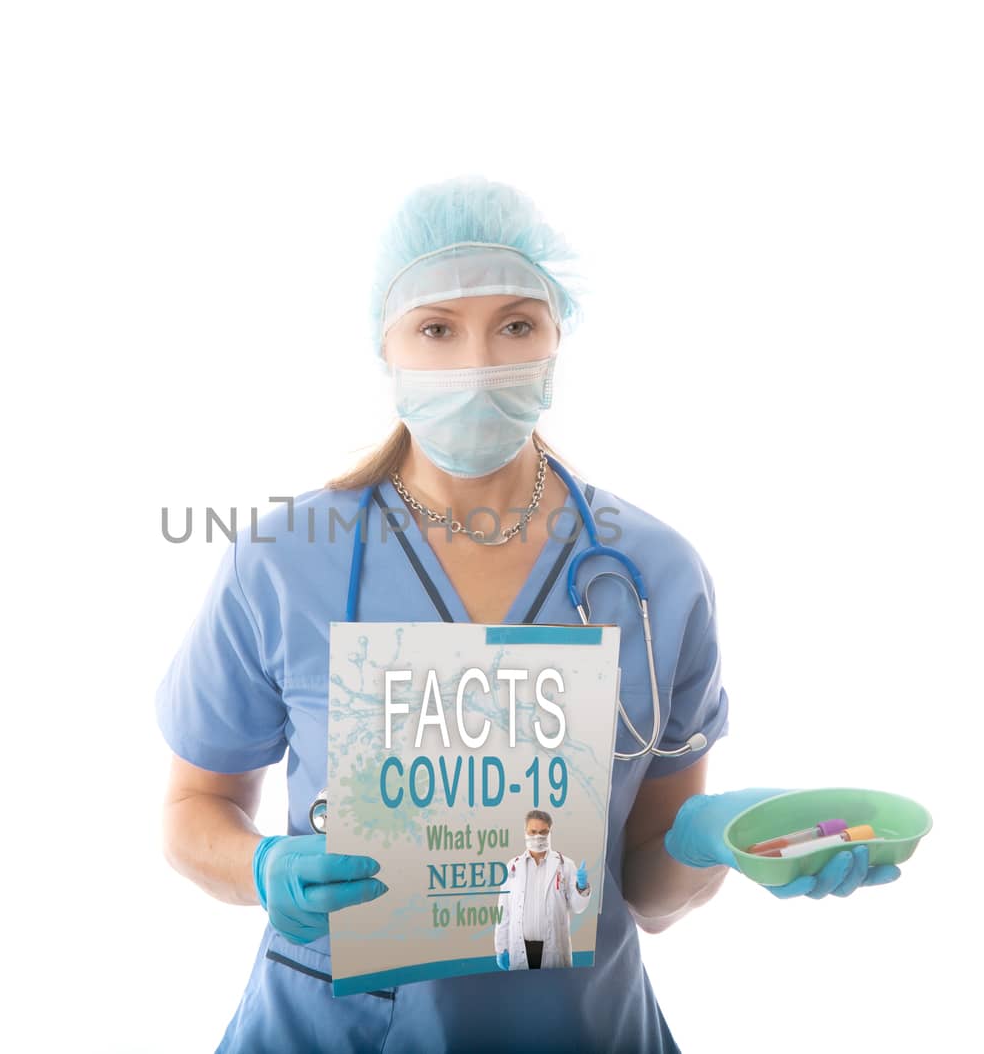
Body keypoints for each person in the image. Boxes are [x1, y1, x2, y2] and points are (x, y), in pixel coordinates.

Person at [156, 175, 902, 1053]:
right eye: (437, 328)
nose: (478, 361)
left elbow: (648, 893)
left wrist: (711, 840)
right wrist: (260, 866)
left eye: (516, 324)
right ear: (385, 347)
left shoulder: (653, 572)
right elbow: (192, 807)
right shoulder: (284, 559)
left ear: (557, 339)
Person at [493, 810, 591, 971]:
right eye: (533, 832)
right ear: (525, 832)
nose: (538, 836)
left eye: (543, 832)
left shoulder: (565, 865)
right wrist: (501, 947)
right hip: (520, 947)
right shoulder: (512, 867)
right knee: (523, 993)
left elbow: (578, 907)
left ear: (550, 833)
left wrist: (581, 886)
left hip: (554, 949)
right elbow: (503, 911)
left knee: (552, 993)